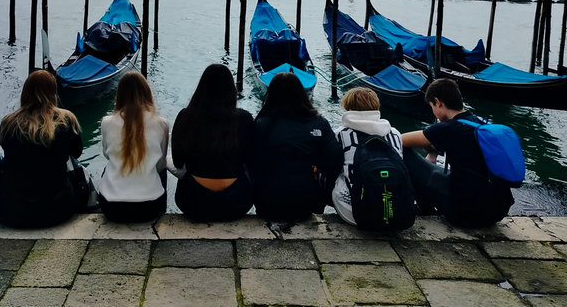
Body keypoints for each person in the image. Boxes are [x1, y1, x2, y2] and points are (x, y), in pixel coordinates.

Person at [402, 78, 514, 228]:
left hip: (465, 214)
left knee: (404, 153)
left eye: (432, 106)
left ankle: (425, 209)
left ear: (438, 102)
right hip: (497, 211)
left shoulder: (447, 128)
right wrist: (432, 153)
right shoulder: (480, 123)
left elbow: (398, 140)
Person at [0, 70, 87, 228]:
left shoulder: (8, 122)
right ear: (53, 92)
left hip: (11, 212)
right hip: (58, 209)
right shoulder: (66, 118)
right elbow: (76, 152)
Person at [251, 72, 343, 221]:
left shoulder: (261, 124)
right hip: (306, 203)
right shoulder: (319, 123)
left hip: (267, 202)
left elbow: (251, 161)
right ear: (302, 94)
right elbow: (335, 161)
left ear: (271, 94)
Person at [171, 64, 256, 221]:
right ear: (231, 90)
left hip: (193, 201)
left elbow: (178, 161)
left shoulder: (186, 116)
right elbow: (252, 161)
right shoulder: (244, 118)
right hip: (236, 201)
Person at [95, 71, 169, 222]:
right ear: (147, 93)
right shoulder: (161, 123)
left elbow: (107, 155)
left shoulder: (106, 122)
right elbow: (161, 164)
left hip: (112, 207)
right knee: (161, 169)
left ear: (120, 95)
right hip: (151, 207)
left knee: (109, 166)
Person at [331, 88, 403, 225]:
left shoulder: (340, 134)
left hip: (354, 213)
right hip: (395, 211)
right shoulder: (395, 134)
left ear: (349, 108)